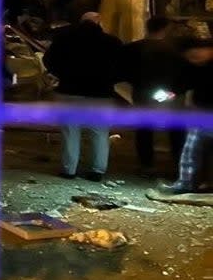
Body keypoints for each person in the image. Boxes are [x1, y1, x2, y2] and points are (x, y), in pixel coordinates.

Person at [43, 12, 123, 181]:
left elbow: (48, 60)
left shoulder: (64, 39)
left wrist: (62, 74)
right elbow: (122, 67)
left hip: (69, 91)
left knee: (70, 131)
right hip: (101, 94)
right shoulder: (112, 42)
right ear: (98, 22)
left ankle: (69, 169)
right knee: (99, 132)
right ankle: (97, 170)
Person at [118, 16, 187, 174]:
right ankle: (178, 166)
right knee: (176, 131)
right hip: (172, 95)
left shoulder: (132, 49)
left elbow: (123, 71)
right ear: (165, 29)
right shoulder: (176, 50)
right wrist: (175, 90)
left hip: (144, 93)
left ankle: (146, 165)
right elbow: (185, 73)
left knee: (144, 130)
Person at [159, 40, 213, 195]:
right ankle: (187, 183)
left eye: (195, 54)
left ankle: (189, 183)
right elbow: (182, 84)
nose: (193, 58)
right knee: (192, 150)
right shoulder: (197, 67)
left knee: (193, 149)